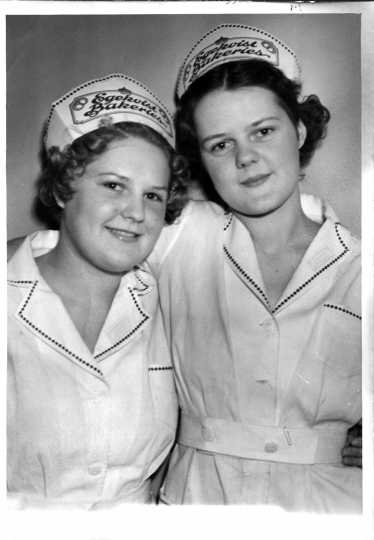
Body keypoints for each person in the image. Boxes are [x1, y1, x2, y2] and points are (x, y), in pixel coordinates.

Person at [147, 24, 362, 511]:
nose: (247, 158)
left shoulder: (359, 267)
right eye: (220, 144)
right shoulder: (178, 235)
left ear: (300, 131)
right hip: (196, 504)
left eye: (263, 131)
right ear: (201, 159)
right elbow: (64, 248)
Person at [7, 73, 188, 508]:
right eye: (113, 185)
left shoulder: (170, 297)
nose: (135, 212)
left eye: (153, 196)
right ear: (63, 187)